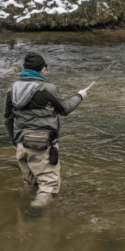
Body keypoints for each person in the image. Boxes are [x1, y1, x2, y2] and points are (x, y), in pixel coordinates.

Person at [3, 53, 87, 211]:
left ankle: (24, 216)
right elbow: (65, 110)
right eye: (45, 68)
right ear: (42, 70)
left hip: (21, 144)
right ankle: (35, 214)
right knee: (48, 186)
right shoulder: (48, 89)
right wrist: (80, 96)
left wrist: (14, 141)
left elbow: (7, 118)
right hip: (43, 146)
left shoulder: (12, 89)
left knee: (30, 183)